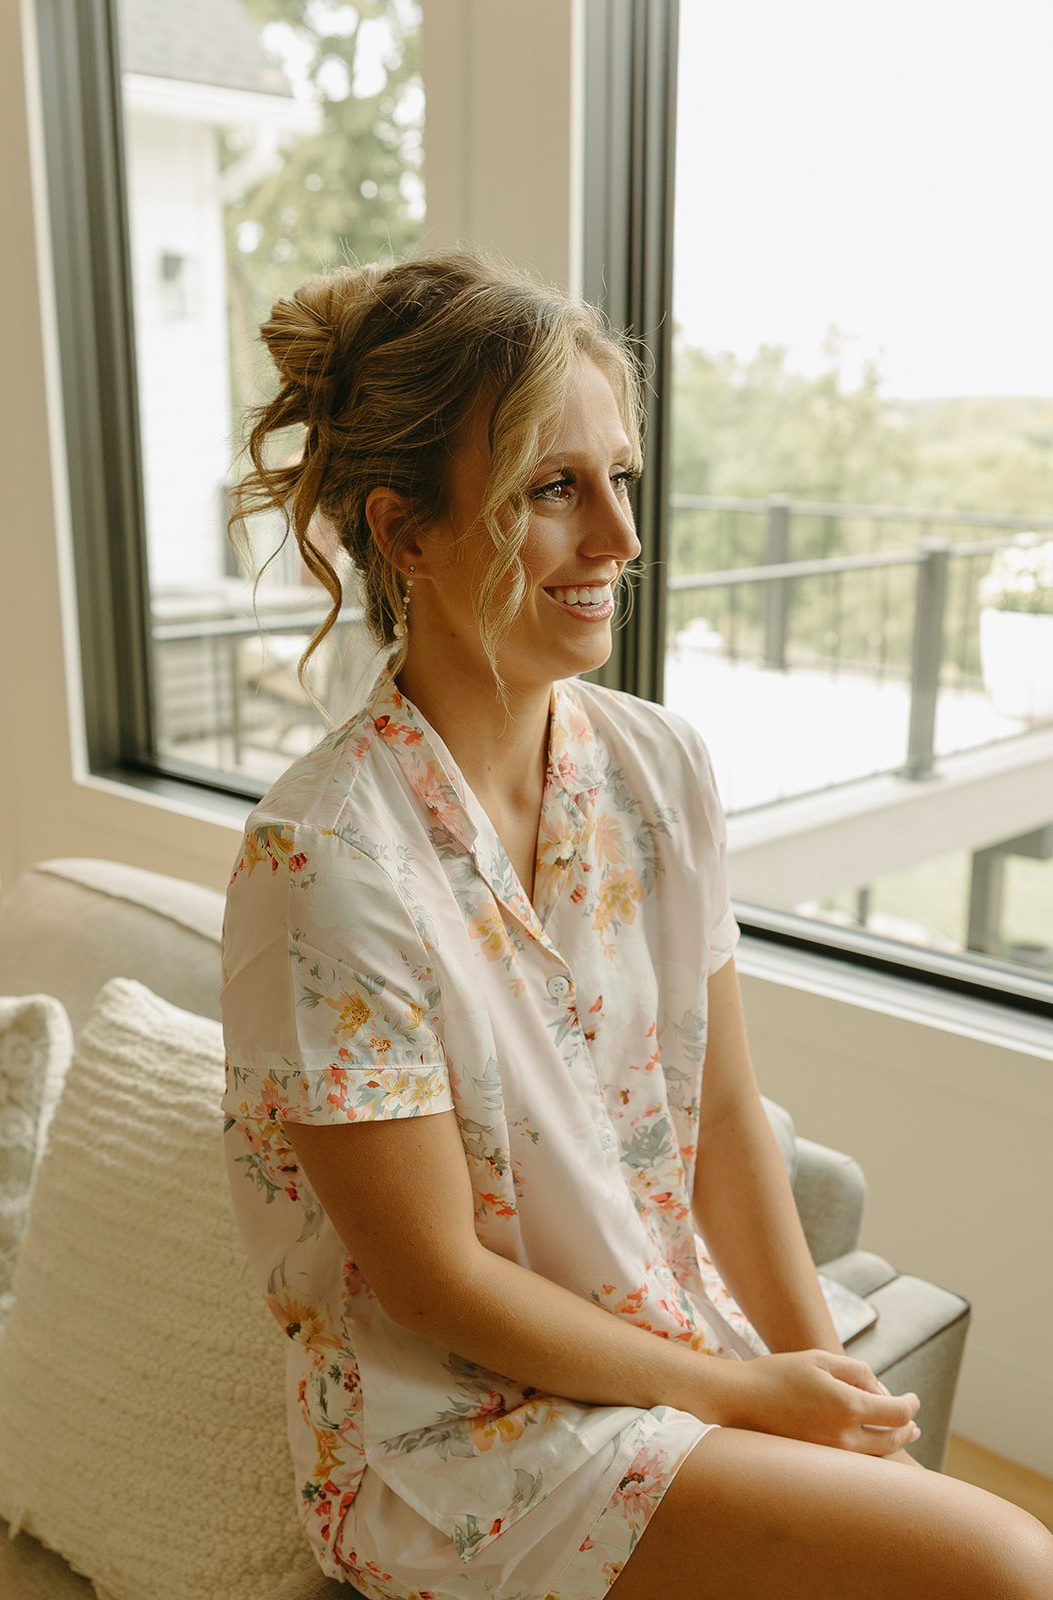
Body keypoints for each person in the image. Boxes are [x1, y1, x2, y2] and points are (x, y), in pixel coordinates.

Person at [220, 252, 1053, 1600]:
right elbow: (433, 1284)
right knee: (1011, 1568)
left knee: (962, 1545)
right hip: (459, 1435)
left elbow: (722, 1120)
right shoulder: (324, 859)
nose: (618, 537)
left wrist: (824, 1391)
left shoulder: (663, 770)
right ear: (405, 531)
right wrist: (737, 1392)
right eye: (553, 490)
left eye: (621, 479)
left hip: (659, 1351)